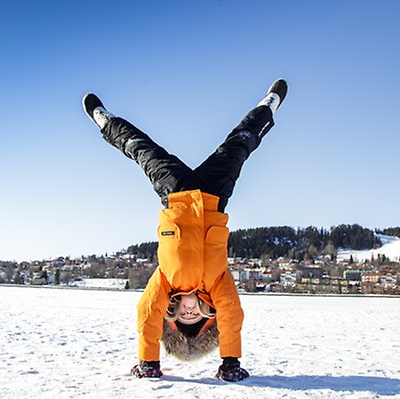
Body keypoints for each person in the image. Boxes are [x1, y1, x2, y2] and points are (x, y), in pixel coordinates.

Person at [82, 79, 288, 382]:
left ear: (173, 314)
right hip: (214, 196)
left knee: (141, 149)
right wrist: (230, 361)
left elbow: (147, 310)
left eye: (183, 318)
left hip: (175, 193)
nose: (190, 313)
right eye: (198, 318)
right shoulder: (218, 284)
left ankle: (105, 120)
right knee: (240, 144)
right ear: (209, 314)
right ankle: (268, 105)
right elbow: (231, 313)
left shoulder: (165, 280)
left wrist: (148, 361)